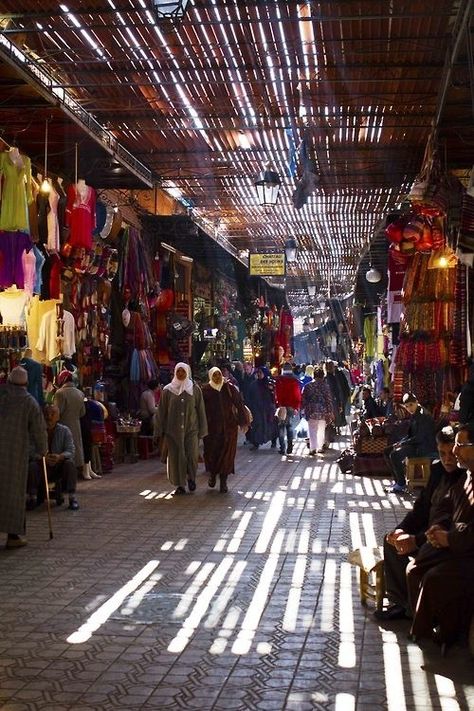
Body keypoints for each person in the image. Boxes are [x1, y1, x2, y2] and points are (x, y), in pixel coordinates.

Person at [374, 427, 464, 621]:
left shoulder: (465, 478)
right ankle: (401, 603)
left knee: (416, 558)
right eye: (443, 453)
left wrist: (416, 540)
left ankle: (420, 610)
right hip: (428, 532)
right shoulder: (438, 470)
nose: (448, 459)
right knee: (391, 542)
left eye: (452, 454)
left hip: (445, 540)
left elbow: (451, 524)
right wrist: (400, 530)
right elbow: (421, 509)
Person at [406, 423, 474, 649]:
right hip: (457, 545)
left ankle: (448, 633)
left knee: (434, 577)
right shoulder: (467, 477)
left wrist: (451, 538)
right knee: (414, 568)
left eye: (460, 446)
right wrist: (437, 530)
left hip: (468, 552)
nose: (454, 453)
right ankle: (426, 624)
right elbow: (446, 507)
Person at [0, 367, 47, 549]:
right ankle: (13, 536)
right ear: (26, 384)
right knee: (14, 492)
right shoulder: (29, 402)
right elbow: (39, 430)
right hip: (15, 453)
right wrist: (43, 450)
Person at [154, 362, 207, 495]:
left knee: (191, 455)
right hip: (173, 432)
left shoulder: (194, 390)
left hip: (191, 429)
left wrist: (202, 430)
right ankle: (180, 485)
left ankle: (191, 478)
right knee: (176, 458)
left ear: (187, 372)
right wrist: (158, 429)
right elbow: (161, 411)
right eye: (178, 372)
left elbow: (200, 410)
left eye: (183, 372)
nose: (181, 374)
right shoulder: (167, 390)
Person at [202, 367, 248, 493]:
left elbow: (239, 404)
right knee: (212, 454)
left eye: (218, 374)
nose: (217, 377)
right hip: (211, 430)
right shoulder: (205, 390)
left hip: (229, 428)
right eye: (214, 375)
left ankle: (223, 482)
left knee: (227, 455)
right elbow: (200, 409)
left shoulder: (229, 388)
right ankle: (212, 475)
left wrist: (243, 422)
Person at [28, 404, 79, 511]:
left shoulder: (65, 431)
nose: (49, 417)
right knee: (32, 466)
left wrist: (60, 456)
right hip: (42, 465)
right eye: (47, 414)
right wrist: (42, 458)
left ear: (58, 417)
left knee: (70, 464)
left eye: (53, 414)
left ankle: (72, 497)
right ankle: (32, 497)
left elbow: (71, 450)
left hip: (58, 466)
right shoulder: (37, 431)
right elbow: (30, 450)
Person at [385, 392, 437, 493]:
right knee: (387, 451)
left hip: (424, 447)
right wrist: (401, 442)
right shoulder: (414, 414)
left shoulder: (423, 415)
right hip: (416, 444)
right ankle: (398, 481)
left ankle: (401, 484)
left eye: (411, 405)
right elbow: (410, 434)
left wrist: (403, 444)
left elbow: (420, 438)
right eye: (407, 406)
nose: (410, 408)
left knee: (395, 455)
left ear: (416, 402)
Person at [54, 370, 86, 475]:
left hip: (63, 424)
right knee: (75, 447)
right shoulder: (80, 393)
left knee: (64, 447)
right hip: (76, 425)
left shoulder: (60, 393)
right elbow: (83, 412)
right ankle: (75, 470)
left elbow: (57, 412)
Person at [301, 367, 334, 456]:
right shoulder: (326, 386)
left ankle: (313, 448)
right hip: (323, 411)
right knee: (321, 429)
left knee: (312, 430)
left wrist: (302, 408)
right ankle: (320, 447)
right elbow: (328, 399)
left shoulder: (308, 386)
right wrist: (330, 411)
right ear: (323, 376)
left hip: (311, 410)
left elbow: (303, 399)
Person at [246, 366, 278, 451]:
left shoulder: (270, 384)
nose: (259, 374)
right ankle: (256, 443)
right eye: (258, 373)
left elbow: (274, 396)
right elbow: (249, 396)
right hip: (257, 409)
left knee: (271, 426)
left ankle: (273, 441)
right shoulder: (253, 384)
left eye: (261, 373)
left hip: (269, 409)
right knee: (257, 425)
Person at [274, 362, 302, 455]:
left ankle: (282, 448)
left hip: (282, 406)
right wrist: (296, 407)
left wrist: (278, 404)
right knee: (289, 426)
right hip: (291, 406)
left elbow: (277, 394)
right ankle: (290, 445)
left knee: (281, 427)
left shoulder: (279, 380)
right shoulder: (294, 381)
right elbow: (297, 395)